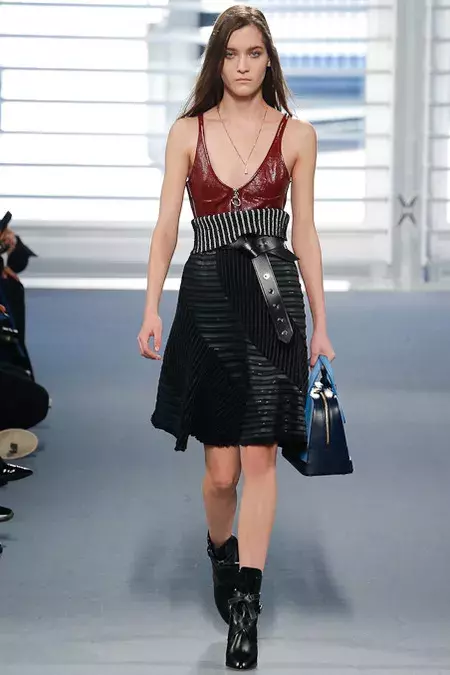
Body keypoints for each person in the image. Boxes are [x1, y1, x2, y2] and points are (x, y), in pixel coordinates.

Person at [138, 5, 335, 670]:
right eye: (231, 54)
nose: (244, 65)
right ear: (216, 60)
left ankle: (247, 603)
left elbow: (306, 232)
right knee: (220, 473)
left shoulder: (297, 135)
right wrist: (150, 306)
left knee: (260, 460)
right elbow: (167, 226)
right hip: (208, 301)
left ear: (268, 59)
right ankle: (221, 550)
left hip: (274, 303)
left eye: (254, 53)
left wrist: (322, 321)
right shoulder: (187, 132)